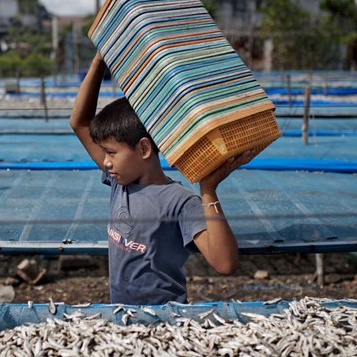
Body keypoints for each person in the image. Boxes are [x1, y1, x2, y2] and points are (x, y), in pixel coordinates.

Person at [70, 51, 251, 305]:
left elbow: (225, 264)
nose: (105, 161)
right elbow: (79, 123)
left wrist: (208, 190)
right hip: (122, 312)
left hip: (166, 318)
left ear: (144, 149)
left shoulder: (180, 202)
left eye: (111, 152)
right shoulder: (119, 180)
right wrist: (99, 62)